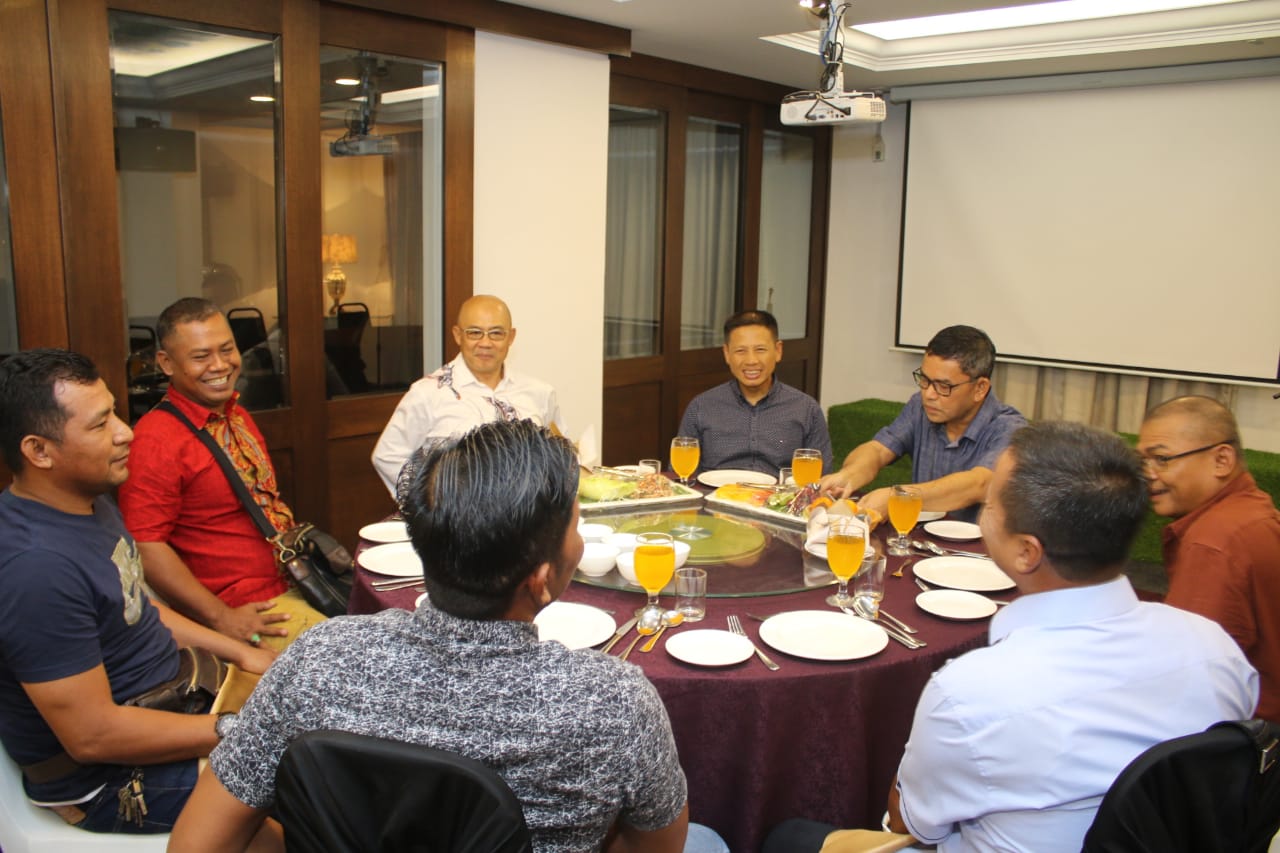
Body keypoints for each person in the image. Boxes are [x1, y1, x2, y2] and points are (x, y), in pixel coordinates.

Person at [170, 419, 728, 853]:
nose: (578, 540)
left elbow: (198, 842)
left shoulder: (317, 659)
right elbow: (656, 845)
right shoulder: (615, 702)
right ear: (539, 579)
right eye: (576, 526)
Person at [768, 422, 1258, 853]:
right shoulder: (1215, 650)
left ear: (1026, 552)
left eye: (991, 501)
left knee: (787, 836)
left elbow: (908, 821)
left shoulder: (970, 691)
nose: (983, 509)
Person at [0, 349, 274, 834]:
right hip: (112, 780)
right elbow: (93, 737)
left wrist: (243, 652)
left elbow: (137, 606)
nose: (126, 432)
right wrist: (241, 731)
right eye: (101, 424)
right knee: (317, 789)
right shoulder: (35, 569)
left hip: (176, 699)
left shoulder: (87, 502)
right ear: (38, 451)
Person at [118, 298, 326, 651]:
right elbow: (146, 546)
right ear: (166, 363)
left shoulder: (236, 415)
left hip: (296, 579)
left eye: (227, 349)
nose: (220, 365)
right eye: (201, 357)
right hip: (248, 606)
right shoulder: (156, 439)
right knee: (350, 662)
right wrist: (221, 618)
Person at [1138, 395, 1280, 721]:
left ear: (1222, 460)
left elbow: (1184, 675)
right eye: (1143, 461)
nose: (1148, 474)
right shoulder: (1251, 511)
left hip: (1240, 739)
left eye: (1161, 459)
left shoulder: (1214, 542)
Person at [818, 325, 1025, 522]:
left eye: (944, 386)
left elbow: (980, 483)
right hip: (919, 538)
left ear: (980, 388)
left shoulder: (1009, 427)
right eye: (924, 380)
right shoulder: (921, 407)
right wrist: (849, 474)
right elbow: (879, 450)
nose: (928, 394)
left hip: (976, 554)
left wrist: (898, 496)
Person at [371, 294, 562, 495]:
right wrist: (434, 499)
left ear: (511, 337)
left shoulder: (540, 392)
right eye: (474, 333)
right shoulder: (428, 393)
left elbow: (561, 453)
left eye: (496, 333)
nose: (485, 343)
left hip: (527, 518)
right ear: (457, 335)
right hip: (456, 521)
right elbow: (387, 457)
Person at [677, 310, 832, 477]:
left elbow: (820, 478)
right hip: (715, 498)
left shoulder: (806, 409)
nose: (751, 361)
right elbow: (683, 475)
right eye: (740, 351)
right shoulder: (702, 406)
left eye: (760, 349)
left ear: (778, 350)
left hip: (778, 500)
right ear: (727, 354)